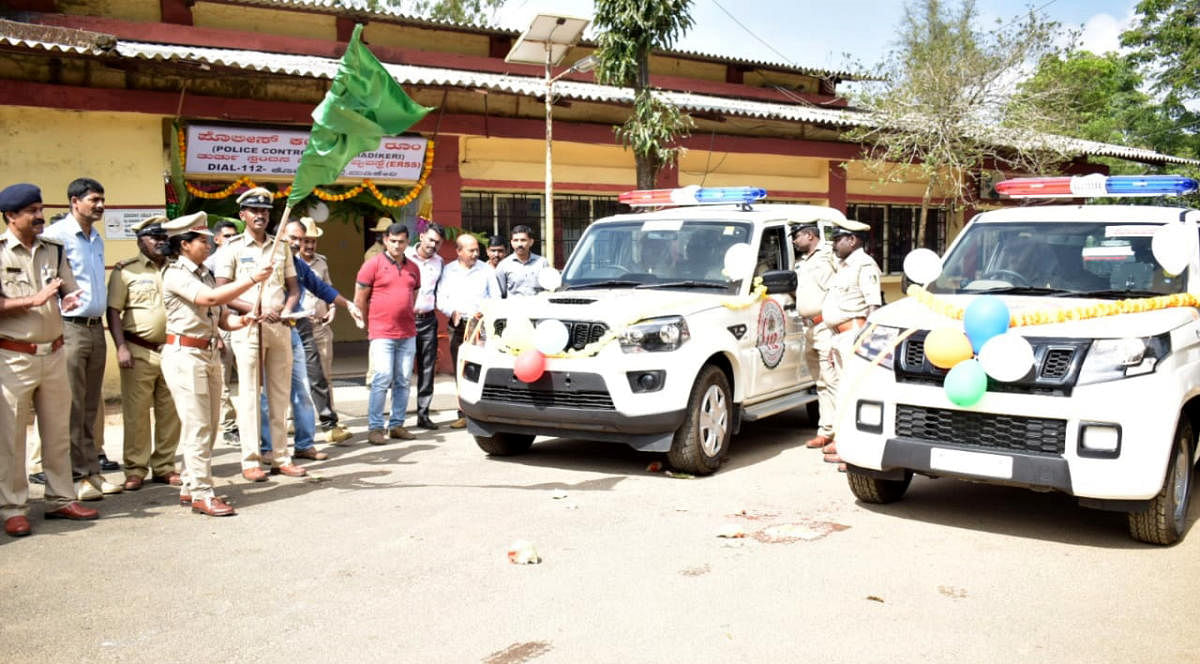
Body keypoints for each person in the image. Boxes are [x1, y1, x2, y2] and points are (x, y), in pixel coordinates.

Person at [0, 183, 99, 536]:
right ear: (11, 216)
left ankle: (60, 498)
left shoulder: (53, 250)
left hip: (55, 352)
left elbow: (66, 288)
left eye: (41, 209)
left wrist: (70, 300)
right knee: (11, 437)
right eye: (31, 211)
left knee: (57, 431)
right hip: (13, 357)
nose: (40, 216)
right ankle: (13, 506)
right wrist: (32, 300)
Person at [160, 211, 273, 517]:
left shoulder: (203, 273)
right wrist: (250, 279)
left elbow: (222, 316)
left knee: (208, 426)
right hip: (185, 355)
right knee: (197, 426)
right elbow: (209, 299)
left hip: (208, 354)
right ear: (184, 244)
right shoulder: (176, 274)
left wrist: (243, 319)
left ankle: (189, 484)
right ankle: (201, 492)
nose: (208, 244)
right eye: (201, 240)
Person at [212, 187, 302, 482]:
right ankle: (251, 460)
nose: (261, 215)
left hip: (278, 327)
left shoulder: (282, 247)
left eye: (265, 211)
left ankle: (280, 457)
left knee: (279, 394)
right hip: (249, 327)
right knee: (250, 394)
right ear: (243, 215)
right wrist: (254, 307)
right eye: (254, 210)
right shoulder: (232, 248)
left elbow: (294, 289)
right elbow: (222, 292)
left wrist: (287, 310)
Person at [43, 177, 122, 500]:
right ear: (74, 201)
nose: (100, 205)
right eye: (94, 200)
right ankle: (75, 476)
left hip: (95, 327)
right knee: (72, 404)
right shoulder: (56, 236)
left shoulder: (96, 237)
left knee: (91, 404)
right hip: (69, 327)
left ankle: (92, 471)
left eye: (102, 199)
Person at [257, 219, 361, 462]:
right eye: (292, 237)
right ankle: (266, 449)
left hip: (294, 328)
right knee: (266, 395)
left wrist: (348, 305)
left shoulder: (295, 264)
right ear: (277, 235)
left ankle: (304, 444)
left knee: (302, 389)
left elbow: (319, 286)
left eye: (299, 239)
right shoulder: (263, 261)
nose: (296, 243)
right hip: (265, 331)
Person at [106, 216, 181, 491]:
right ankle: (135, 469)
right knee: (136, 414)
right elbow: (113, 310)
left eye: (164, 237)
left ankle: (164, 466)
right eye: (155, 237)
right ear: (141, 241)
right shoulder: (126, 270)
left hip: (173, 349)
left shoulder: (177, 269)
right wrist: (121, 347)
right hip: (138, 350)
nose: (161, 242)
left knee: (170, 412)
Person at [820, 218, 881, 470]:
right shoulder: (845, 265)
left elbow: (873, 305)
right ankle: (843, 439)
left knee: (853, 391)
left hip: (853, 334)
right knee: (841, 389)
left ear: (852, 240)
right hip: (839, 335)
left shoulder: (864, 265)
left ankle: (852, 449)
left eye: (838, 239)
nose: (834, 244)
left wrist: (863, 338)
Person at [355, 223, 420, 445]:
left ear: (407, 241)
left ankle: (397, 425)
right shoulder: (372, 265)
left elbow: (414, 294)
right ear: (385, 240)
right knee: (381, 378)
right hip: (381, 332)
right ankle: (375, 428)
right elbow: (360, 297)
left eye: (401, 241)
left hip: (408, 332)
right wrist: (364, 323)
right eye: (393, 241)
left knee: (403, 380)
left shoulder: (413, 267)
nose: (397, 245)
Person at [295, 218, 352, 443]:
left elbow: (327, 288)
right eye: (306, 241)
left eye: (313, 242)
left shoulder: (322, 262)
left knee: (324, 376)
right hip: (296, 326)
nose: (309, 246)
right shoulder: (289, 262)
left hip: (319, 326)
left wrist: (332, 310)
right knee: (296, 378)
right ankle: (293, 420)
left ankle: (330, 421)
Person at [437, 233, 499, 428]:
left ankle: (483, 411)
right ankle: (463, 412)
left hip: (481, 325)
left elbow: (496, 297)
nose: (475, 254)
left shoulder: (486, 270)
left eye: (477, 250)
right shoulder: (448, 271)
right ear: (459, 252)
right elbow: (441, 298)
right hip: (458, 324)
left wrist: (483, 312)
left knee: (480, 367)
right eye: (471, 250)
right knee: (460, 368)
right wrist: (451, 311)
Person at [790, 222, 838, 451]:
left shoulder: (829, 256)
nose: (794, 241)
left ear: (810, 235)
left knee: (833, 381)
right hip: (808, 328)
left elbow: (838, 289)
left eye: (797, 236)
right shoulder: (801, 262)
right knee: (820, 383)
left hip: (825, 326)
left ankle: (840, 434)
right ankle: (825, 431)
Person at [407, 222, 444, 429]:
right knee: (402, 369)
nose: (433, 245)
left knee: (427, 368)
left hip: (428, 320)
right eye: (430, 239)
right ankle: (396, 419)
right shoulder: (405, 257)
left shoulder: (440, 263)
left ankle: (423, 414)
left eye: (437, 243)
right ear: (421, 237)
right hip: (406, 320)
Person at [207, 219, 241, 445]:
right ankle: (230, 427)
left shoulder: (241, 257)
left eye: (233, 235)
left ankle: (258, 424)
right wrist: (216, 333)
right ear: (217, 238)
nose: (231, 239)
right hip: (223, 326)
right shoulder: (209, 264)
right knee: (223, 381)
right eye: (226, 236)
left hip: (245, 322)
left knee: (254, 378)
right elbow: (210, 302)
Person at [495, 224, 548, 297]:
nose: (519, 244)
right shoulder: (503, 265)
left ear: (531, 242)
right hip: (514, 307)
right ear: (511, 242)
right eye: (516, 240)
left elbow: (549, 289)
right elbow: (500, 294)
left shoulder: (542, 263)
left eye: (523, 240)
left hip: (538, 306)